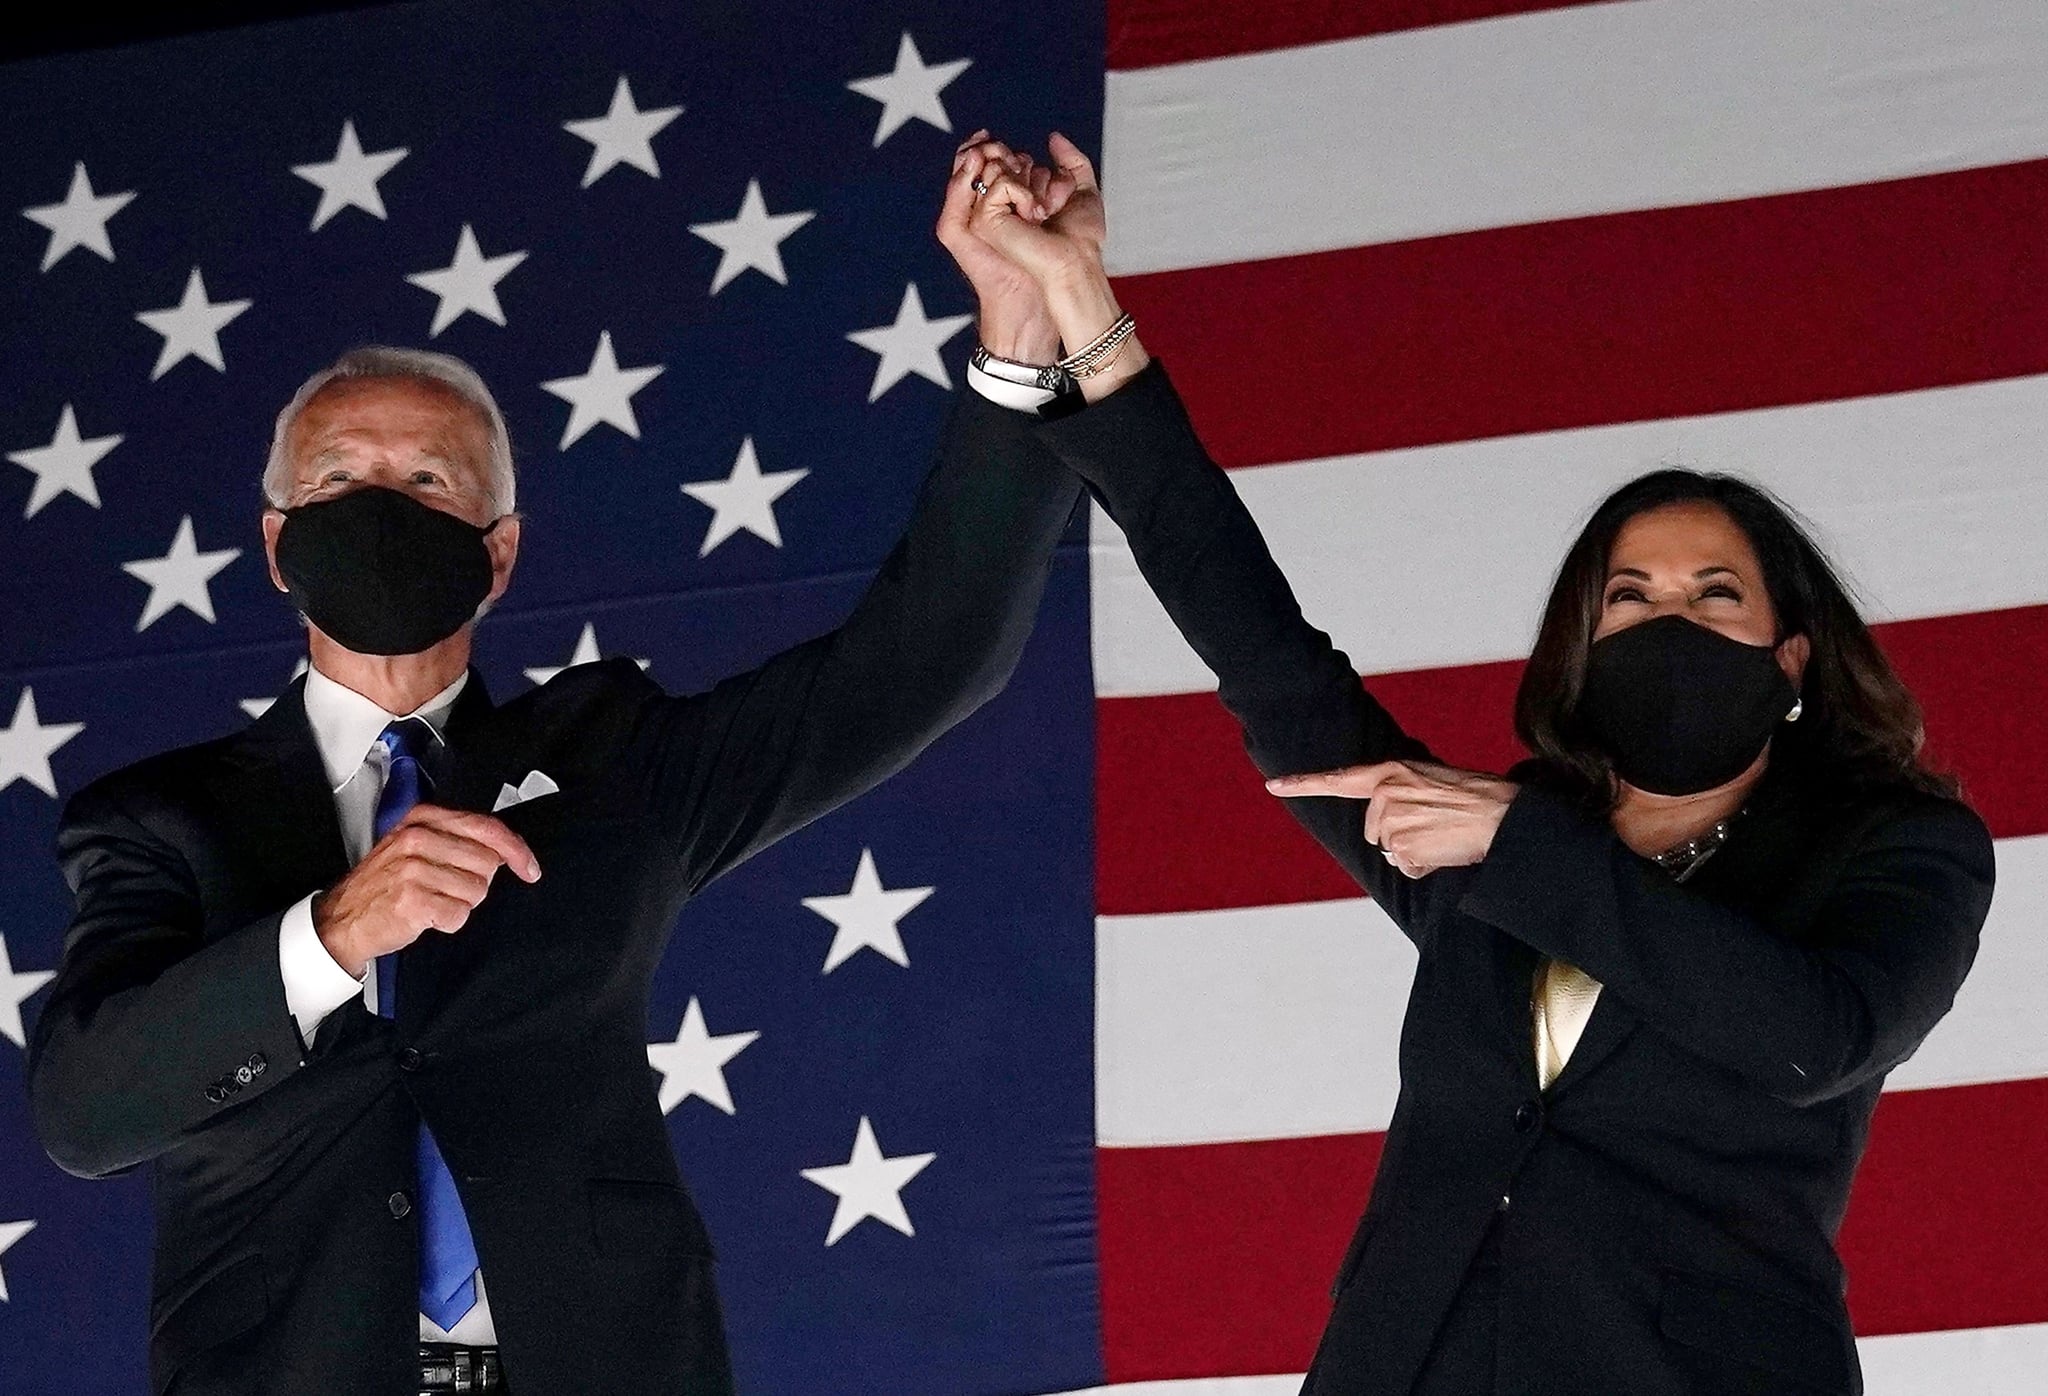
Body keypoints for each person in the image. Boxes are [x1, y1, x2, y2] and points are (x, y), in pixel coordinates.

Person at [27, 138, 1081, 1396]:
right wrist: (332, 930)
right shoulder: (158, 820)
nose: (381, 505)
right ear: (275, 543)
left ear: (501, 551)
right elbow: (87, 1112)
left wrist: (1020, 337)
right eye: (340, 480)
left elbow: (929, 658)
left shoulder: (610, 758)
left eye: (426, 482)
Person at [945, 135, 1998, 1395]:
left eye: (1714, 595)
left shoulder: (1890, 846)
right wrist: (1085, 317)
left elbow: (1812, 1037)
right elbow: (1268, 660)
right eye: (1628, 596)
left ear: (1789, 658)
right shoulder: (1486, 840)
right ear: (1579, 641)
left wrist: (1520, 847)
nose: (1666, 620)